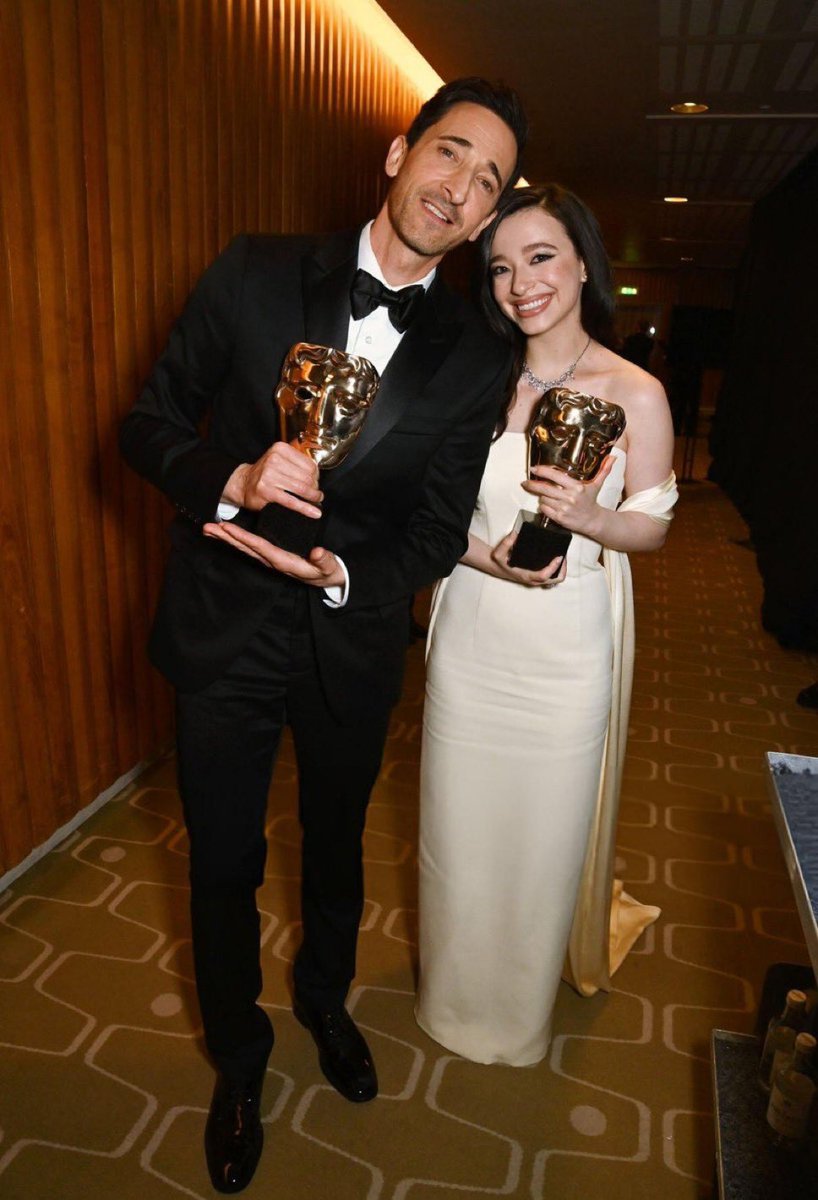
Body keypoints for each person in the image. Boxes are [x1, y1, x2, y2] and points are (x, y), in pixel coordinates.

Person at [120, 77, 527, 1193]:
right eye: (450, 154)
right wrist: (231, 474)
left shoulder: (475, 351)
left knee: (337, 850)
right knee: (223, 855)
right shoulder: (255, 269)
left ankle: (324, 1002)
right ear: (398, 154)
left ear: (487, 218)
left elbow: (439, 528)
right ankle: (239, 1059)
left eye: (486, 181)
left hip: (346, 637)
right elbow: (146, 420)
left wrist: (348, 572)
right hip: (222, 625)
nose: (460, 188)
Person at [415, 184, 678, 1067]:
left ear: (580, 264)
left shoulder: (634, 391)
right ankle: (450, 997)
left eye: (540, 258)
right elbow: (427, 513)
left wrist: (593, 518)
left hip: (568, 644)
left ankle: (516, 1017)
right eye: (499, 267)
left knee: (540, 836)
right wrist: (487, 557)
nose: (519, 283)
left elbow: (654, 523)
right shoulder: (474, 379)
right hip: (474, 629)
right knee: (459, 827)